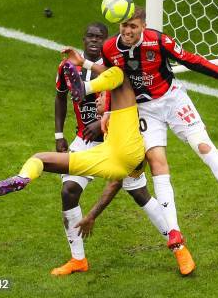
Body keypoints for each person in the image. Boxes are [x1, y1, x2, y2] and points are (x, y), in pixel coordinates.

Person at [0, 50, 196, 275]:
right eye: (95, 96)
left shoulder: (124, 104)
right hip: (107, 157)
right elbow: (114, 177)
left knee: (141, 194)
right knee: (40, 158)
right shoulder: (107, 121)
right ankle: (23, 178)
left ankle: (180, 249)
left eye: (100, 95)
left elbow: (116, 76)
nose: (97, 100)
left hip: (130, 156)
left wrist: (84, 67)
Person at [91, 6, 218, 243]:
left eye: (133, 26)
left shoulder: (158, 41)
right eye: (124, 26)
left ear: (143, 26)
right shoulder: (109, 48)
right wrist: (108, 109)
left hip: (172, 99)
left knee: (202, 146)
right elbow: (111, 78)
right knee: (157, 163)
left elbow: (190, 59)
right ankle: (174, 231)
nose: (127, 31)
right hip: (144, 109)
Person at [51, 24, 192, 276]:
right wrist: (59, 134)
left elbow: (131, 104)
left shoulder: (116, 71)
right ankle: (78, 260)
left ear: (107, 43)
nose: (95, 41)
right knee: (68, 191)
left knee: (140, 195)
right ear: (83, 39)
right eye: (90, 36)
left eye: (100, 38)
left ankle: (180, 248)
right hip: (84, 141)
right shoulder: (67, 67)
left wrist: (103, 120)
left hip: (119, 140)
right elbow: (60, 96)